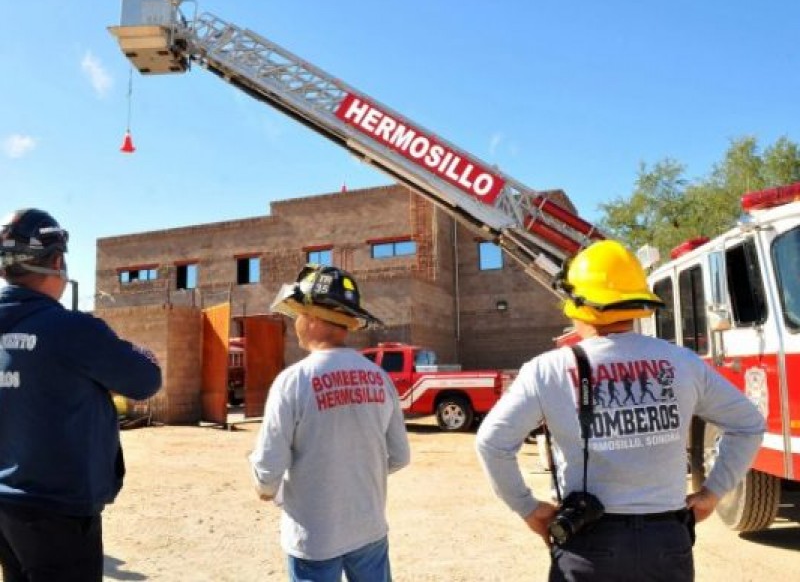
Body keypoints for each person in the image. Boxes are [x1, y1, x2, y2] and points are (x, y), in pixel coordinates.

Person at [476, 239, 765, 582]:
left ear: (577, 302)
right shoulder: (682, 362)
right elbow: (747, 424)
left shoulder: (549, 369)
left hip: (589, 541)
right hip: (667, 541)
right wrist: (712, 492)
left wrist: (527, 507)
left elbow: (492, 443)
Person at [0, 208, 163, 581]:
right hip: (58, 512)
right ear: (57, 262)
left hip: (6, 506)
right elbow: (145, 379)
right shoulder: (72, 330)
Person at [249, 264, 410, 582]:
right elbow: (400, 456)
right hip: (369, 529)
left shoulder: (293, 381)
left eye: (297, 314)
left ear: (312, 318)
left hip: (314, 537)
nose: (295, 322)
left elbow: (268, 470)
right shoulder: (379, 377)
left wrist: (265, 487)